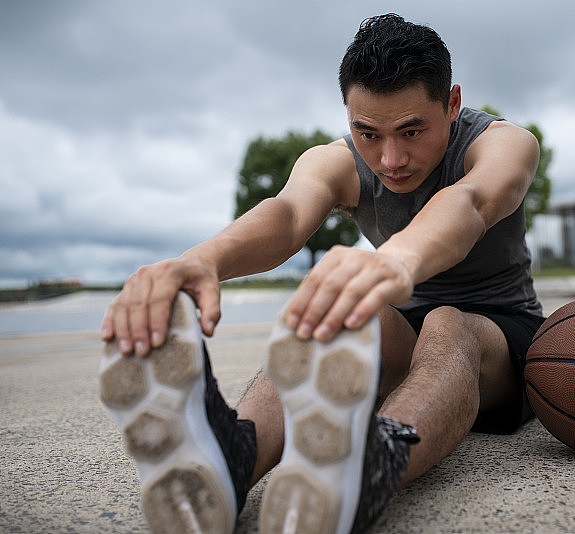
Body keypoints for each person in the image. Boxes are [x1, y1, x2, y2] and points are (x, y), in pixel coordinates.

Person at [100, 13, 545, 534]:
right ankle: (233, 457)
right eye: (367, 132)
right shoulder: (338, 160)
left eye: (412, 131)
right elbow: (287, 215)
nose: (391, 158)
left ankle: (369, 465)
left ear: (451, 104)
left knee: (448, 322)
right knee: (331, 317)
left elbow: (470, 202)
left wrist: (395, 260)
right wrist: (201, 260)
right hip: (407, 331)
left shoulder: (505, 143)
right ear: (348, 117)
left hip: (502, 336)